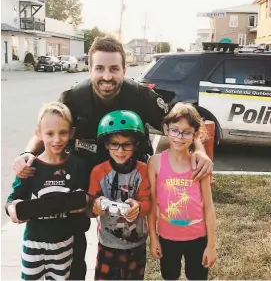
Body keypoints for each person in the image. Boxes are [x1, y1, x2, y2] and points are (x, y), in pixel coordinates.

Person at [12, 36, 213, 280]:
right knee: (73, 244)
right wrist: (27, 154)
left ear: (124, 70)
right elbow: (47, 126)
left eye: (114, 69)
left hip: (131, 179)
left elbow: (179, 122)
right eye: (100, 68)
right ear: (90, 69)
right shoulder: (74, 96)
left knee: (128, 243)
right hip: (85, 179)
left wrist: (200, 150)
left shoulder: (140, 95)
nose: (107, 76)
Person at [6, 102, 89, 280]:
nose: (57, 139)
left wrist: (85, 202)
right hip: (33, 243)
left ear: (71, 133)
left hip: (64, 243)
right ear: (38, 133)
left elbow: (85, 197)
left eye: (63, 133)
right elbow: (13, 199)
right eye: (49, 134)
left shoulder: (77, 165)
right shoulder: (29, 166)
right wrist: (12, 209)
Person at [148, 102, 216, 280]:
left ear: (195, 135)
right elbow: (152, 204)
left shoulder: (199, 165)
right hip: (167, 238)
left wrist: (211, 245)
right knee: (170, 276)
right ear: (166, 129)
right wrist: (153, 238)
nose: (179, 136)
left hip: (198, 238)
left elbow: (208, 207)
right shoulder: (155, 163)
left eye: (187, 132)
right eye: (175, 130)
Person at [88, 110, 150, 280]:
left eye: (127, 144)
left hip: (136, 244)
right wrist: (95, 206)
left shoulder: (143, 171)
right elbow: (90, 206)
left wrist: (139, 207)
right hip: (108, 243)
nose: (120, 150)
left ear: (136, 144)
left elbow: (149, 203)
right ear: (106, 144)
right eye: (114, 144)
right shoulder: (98, 172)